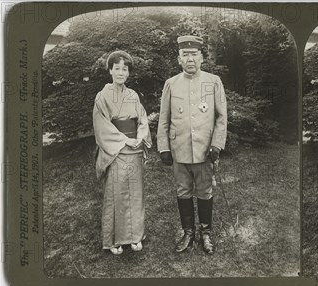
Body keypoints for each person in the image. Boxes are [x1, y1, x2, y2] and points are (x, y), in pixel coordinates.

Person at [157, 35, 227, 255]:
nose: (190, 59)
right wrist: (164, 148)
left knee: (205, 191)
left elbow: (221, 117)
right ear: (179, 59)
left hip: (205, 150)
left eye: (194, 55)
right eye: (185, 55)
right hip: (180, 150)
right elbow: (164, 119)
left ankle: (206, 233)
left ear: (202, 57)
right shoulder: (171, 84)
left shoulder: (213, 81)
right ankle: (188, 232)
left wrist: (216, 144)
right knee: (183, 191)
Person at [93, 50, 152, 255]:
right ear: (110, 70)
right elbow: (102, 126)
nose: (120, 73)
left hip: (134, 149)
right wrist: (124, 140)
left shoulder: (133, 95)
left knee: (136, 194)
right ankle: (114, 240)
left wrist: (140, 137)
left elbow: (142, 119)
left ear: (128, 73)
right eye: (116, 68)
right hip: (116, 150)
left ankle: (135, 237)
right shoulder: (102, 96)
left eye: (124, 69)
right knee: (116, 194)